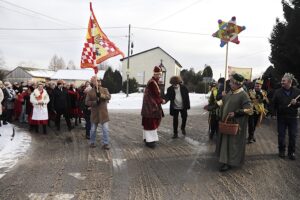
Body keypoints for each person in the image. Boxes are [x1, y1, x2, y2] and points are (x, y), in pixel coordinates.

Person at [216, 73, 253, 172]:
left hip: (235, 124)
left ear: (237, 83)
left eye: (232, 82)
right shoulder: (230, 92)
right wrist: (213, 105)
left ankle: (230, 162)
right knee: (225, 142)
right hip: (226, 122)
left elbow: (250, 109)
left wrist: (236, 113)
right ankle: (224, 160)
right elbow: (224, 102)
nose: (230, 84)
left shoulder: (243, 95)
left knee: (232, 144)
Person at [272, 73, 300, 160]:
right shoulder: (277, 92)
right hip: (281, 117)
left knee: (293, 135)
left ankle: (291, 152)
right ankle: (282, 151)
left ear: (290, 82)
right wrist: (273, 114)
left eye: (284, 81)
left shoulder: (297, 92)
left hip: (293, 117)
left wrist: (296, 103)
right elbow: (273, 104)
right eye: (282, 81)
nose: (282, 82)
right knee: (281, 135)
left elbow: (299, 104)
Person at [141, 66, 165, 148]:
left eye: (160, 75)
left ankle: (147, 139)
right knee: (151, 124)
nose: (159, 76)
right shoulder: (152, 83)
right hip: (151, 108)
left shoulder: (154, 82)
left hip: (149, 107)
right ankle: (150, 141)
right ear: (155, 74)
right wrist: (162, 101)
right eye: (158, 75)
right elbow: (155, 95)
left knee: (149, 123)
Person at [85, 77, 111, 150]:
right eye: (96, 81)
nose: (98, 83)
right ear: (93, 83)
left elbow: (109, 97)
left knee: (105, 129)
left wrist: (101, 96)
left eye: (99, 81)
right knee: (93, 129)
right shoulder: (90, 92)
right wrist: (95, 102)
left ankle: (105, 144)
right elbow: (86, 102)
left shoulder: (104, 90)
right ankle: (92, 142)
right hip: (94, 114)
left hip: (103, 113)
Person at [247, 79, 269, 143]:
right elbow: (247, 100)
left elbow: (267, 101)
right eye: (256, 86)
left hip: (259, 110)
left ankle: (251, 135)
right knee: (251, 124)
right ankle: (250, 137)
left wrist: (263, 100)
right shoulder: (250, 91)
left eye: (258, 86)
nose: (257, 87)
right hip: (252, 110)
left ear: (261, 86)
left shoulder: (264, 92)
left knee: (256, 124)